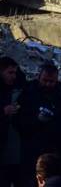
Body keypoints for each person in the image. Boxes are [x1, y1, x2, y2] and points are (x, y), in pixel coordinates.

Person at [17, 64, 61, 183]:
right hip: (32, 148)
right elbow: (19, 120)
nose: (48, 84)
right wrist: (36, 120)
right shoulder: (29, 92)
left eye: (51, 81)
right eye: (45, 80)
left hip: (55, 148)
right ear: (39, 77)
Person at [0, 57, 23, 187]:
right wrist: (3, 112)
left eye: (15, 72)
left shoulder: (16, 88)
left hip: (13, 154)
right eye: (10, 73)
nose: (13, 76)